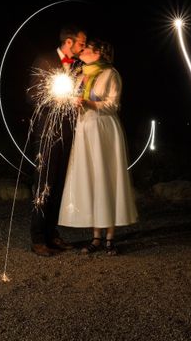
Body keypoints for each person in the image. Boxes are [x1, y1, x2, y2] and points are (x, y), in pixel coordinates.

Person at [58, 39, 138, 255]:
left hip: (104, 129)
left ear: (99, 54)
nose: (81, 51)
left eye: (86, 49)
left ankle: (110, 237)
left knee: (106, 177)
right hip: (84, 128)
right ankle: (95, 237)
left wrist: (90, 103)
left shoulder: (111, 74)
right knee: (92, 178)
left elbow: (113, 104)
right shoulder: (82, 74)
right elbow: (73, 96)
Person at [27, 25, 87, 256]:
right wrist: (62, 101)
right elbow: (33, 94)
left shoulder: (77, 66)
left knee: (60, 185)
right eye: (81, 42)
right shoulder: (45, 59)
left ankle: (52, 234)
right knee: (44, 185)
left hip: (68, 132)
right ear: (69, 42)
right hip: (47, 133)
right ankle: (38, 238)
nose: (84, 47)